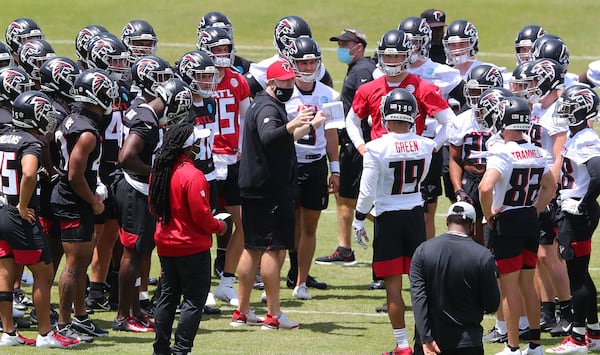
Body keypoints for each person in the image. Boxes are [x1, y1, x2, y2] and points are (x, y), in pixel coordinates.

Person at [234, 60, 326, 330]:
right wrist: (293, 124)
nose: (290, 84)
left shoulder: (264, 104)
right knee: (272, 250)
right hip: (270, 191)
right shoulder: (267, 107)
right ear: (271, 83)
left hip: (256, 188)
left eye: (290, 80)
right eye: (285, 81)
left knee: (251, 248)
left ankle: (242, 311)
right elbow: (269, 137)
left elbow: (280, 139)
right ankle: (273, 315)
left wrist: (308, 126)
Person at [353, 88, 436, 355]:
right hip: (414, 214)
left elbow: (366, 192)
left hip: (387, 217)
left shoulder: (376, 148)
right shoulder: (426, 145)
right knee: (419, 288)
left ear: (384, 114)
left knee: (393, 289)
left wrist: (358, 219)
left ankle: (402, 346)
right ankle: (425, 341)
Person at [111, 78, 192, 333]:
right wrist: (156, 173)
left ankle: (135, 311)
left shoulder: (141, 109)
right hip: (134, 190)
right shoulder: (146, 121)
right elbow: (125, 157)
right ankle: (123, 315)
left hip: (135, 188)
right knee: (132, 254)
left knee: (140, 252)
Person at [0, 90, 79, 348]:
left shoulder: (3, 137)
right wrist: (22, 206)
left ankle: (8, 332)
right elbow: (30, 174)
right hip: (19, 215)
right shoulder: (31, 143)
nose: (49, 118)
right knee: (43, 273)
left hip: (1, 209)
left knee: (5, 271)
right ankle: (45, 334)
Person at [479, 96, 556, 355]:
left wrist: (488, 213)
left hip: (508, 222)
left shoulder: (501, 151)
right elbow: (551, 187)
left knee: (509, 286)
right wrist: (534, 208)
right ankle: (535, 345)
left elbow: (485, 186)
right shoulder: (536, 150)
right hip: (528, 220)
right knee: (528, 283)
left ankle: (512, 347)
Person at [149, 123, 227, 355]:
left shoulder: (160, 171)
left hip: (166, 244)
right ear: (189, 147)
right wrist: (219, 226)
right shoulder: (192, 176)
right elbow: (202, 216)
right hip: (191, 247)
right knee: (193, 300)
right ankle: (182, 349)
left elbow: (153, 207)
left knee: (168, 297)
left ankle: (160, 349)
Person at [51, 68, 117, 342]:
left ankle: (80, 317)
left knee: (81, 261)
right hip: (73, 199)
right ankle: (64, 322)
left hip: (71, 196)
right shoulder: (87, 132)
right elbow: (74, 175)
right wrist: (94, 201)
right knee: (75, 265)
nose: (110, 97)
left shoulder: (72, 119)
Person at [197, 25, 252, 306]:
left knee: (243, 222)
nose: (223, 54)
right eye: (217, 49)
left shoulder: (237, 81)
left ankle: (226, 282)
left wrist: (243, 149)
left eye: (226, 49)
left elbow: (247, 119)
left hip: (232, 159)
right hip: (206, 161)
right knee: (204, 225)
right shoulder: (196, 78)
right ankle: (202, 287)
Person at [315, 27, 376, 278]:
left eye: (346, 43)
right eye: (339, 43)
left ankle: (385, 224)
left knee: (355, 198)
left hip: (358, 144)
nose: (341, 48)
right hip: (353, 142)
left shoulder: (363, 71)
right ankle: (344, 247)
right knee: (343, 194)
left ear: (359, 46)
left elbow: (365, 108)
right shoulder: (359, 68)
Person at [546, 85, 600, 354]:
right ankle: (594, 331)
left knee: (575, 276)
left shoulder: (587, 139)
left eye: (570, 107)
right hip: (573, 211)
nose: (564, 111)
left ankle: (578, 338)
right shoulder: (576, 135)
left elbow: (598, 174)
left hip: (576, 214)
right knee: (580, 274)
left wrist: (584, 203)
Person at [284, 36, 339, 299]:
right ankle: (286, 273)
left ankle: (301, 281)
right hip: (289, 163)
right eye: (302, 63)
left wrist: (335, 168)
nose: (307, 67)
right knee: (285, 223)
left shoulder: (328, 94)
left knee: (309, 225)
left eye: (312, 62)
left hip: (316, 165)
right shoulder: (283, 92)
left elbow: (331, 134)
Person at [410, 202, 500, 355]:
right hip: (467, 343)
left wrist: (425, 338)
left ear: (447, 221)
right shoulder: (483, 256)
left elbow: (418, 299)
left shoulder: (422, 251)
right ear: (473, 226)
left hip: (429, 343)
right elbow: (492, 304)